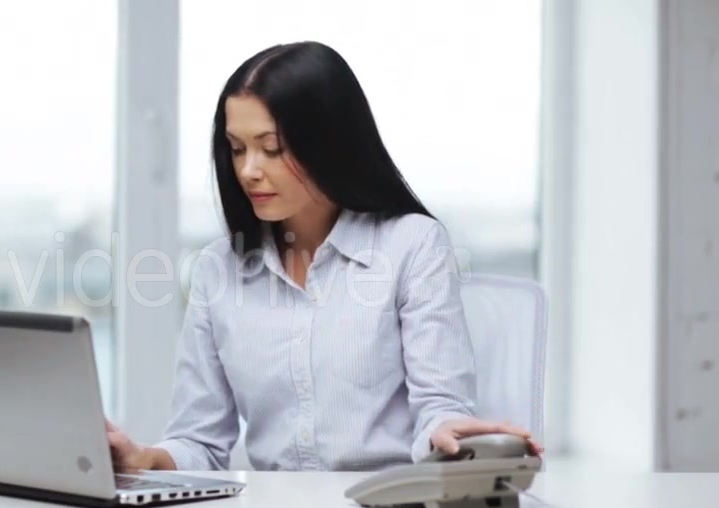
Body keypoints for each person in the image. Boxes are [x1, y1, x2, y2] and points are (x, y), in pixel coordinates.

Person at [107, 41, 543, 472]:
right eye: (237, 149)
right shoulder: (217, 269)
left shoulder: (413, 245)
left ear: (328, 144)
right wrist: (145, 459)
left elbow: (440, 406)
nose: (248, 170)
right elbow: (199, 441)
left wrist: (450, 434)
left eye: (271, 148)